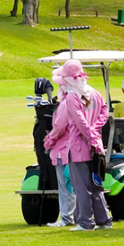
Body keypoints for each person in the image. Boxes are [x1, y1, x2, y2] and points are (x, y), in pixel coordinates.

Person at [43, 59, 111, 231]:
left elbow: (81, 123)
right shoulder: (94, 93)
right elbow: (104, 112)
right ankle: (103, 220)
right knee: (96, 185)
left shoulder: (73, 97)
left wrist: (91, 136)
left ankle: (86, 222)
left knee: (82, 186)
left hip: (79, 148)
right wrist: (95, 133)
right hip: (96, 148)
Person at [44, 81, 76, 228]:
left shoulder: (65, 104)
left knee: (66, 185)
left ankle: (67, 217)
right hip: (76, 149)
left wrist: (49, 140)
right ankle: (75, 215)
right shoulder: (80, 100)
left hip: (64, 150)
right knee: (75, 185)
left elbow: (59, 127)